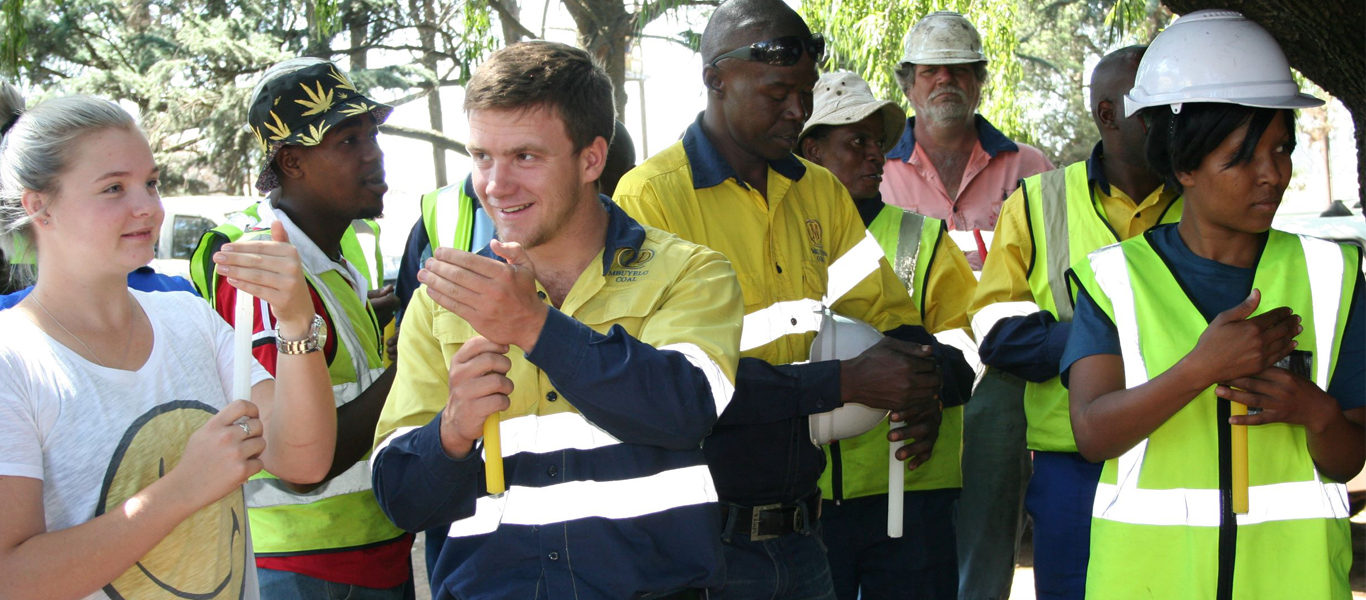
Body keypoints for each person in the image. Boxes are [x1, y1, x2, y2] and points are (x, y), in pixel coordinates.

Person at [614, 1, 973, 597]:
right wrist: (840, 383)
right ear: (716, 80)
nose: (799, 111)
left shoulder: (818, 192)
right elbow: (663, 387)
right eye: (779, 91)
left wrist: (921, 385)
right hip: (702, 544)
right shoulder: (650, 199)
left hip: (806, 539)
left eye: (805, 92)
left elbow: (888, 315)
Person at [370, 41, 745, 599]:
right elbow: (403, 503)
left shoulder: (691, 273)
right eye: (481, 157)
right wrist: (449, 433)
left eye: (525, 156)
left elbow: (683, 411)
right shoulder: (440, 302)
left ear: (591, 159)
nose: (496, 184)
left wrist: (534, 326)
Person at [1065, 11, 1363, 599]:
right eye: (1242, 158)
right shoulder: (1115, 279)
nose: (1273, 175)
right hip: (1147, 581)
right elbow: (1093, 434)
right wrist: (1202, 368)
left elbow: (1349, 458)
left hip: (1292, 581)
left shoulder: (1334, 277)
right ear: (1184, 166)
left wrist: (1316, 412)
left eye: (1281, 149)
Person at [0, 95, 336, 599]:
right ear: (38, 206)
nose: (148, 208)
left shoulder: (190, 319)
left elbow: (301, 461)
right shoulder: (13, 360)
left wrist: (294, 319)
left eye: (151, 183)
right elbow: (12, 578)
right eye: (113, 187)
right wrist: (182, 489)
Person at [190, 58, 414, 598]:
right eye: (346, 140)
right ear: (292, 161)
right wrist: (417, 361)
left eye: (372, 134)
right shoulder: (257, 259)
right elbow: (299, 462)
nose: (373, 154)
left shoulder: (336, 255)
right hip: (303, 567)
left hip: (374, 549)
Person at [968, 46, 1177, 600]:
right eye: (1151, 105)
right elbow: (995, 329)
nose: (1170, 116)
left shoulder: (1207, 199)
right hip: (1074, 465)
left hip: (1187, 451)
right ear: (1107, 116)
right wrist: (1103, 346)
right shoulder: (1039, 202)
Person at [797, 70, 977, 600]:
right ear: (810, 151)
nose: (877, 156)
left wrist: (931, 381)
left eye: (879, 142)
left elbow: (967, 350)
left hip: (911, 495)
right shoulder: (771, 238)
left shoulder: (920, 238)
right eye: (857, 142)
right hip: (802, 499)